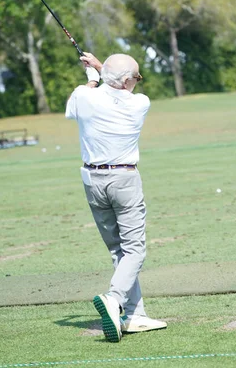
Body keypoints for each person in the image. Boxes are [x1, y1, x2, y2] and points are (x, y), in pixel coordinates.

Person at [65, 52, 167, 343]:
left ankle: (135, 315)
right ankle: (115, 299)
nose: (137, 82)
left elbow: (85, 100)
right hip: (124, 180)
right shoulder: (140, 103)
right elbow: (118, 89)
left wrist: (94, 76)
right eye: (136, 77)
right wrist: (100, 70)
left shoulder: (84, 97)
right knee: (135, 250)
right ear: (127, 81)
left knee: (118, 250)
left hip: (92, 180)